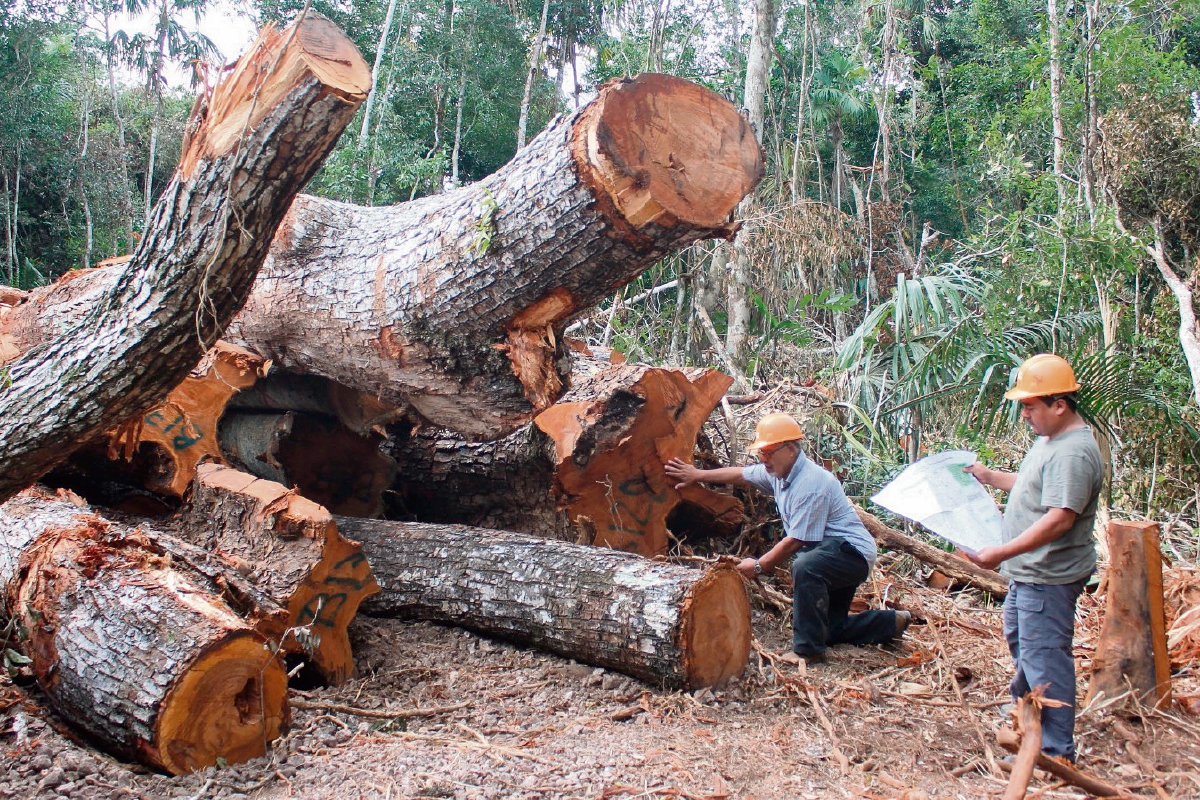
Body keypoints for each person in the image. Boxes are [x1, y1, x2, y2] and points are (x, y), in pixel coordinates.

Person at [664, 412, 909, 663]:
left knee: (806, 567)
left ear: (790, 450)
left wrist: (759, 566)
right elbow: (741, 475)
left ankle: (807, 651)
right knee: (829, 629)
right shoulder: (777, 473)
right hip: (831, 552)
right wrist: (696, 475)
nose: (764, 459)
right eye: (761, 453)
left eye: (769, 453)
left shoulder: (811, 484)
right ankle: (890, 622)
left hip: (850, 552)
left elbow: (795, 541)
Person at [963, 353, 1103, 764]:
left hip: (1049, 576)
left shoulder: (1072, 453)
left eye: (1030, 405)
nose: (1024, 414)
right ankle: (1029, 730)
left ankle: (1054, 752)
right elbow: (1031, 487)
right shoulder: (1051, 441)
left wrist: (1002, 552)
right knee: (1026, 650)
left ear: (1059, 404)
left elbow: (1060, 519)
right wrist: (990, 477)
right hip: (1030, 573)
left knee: (1045, 658)